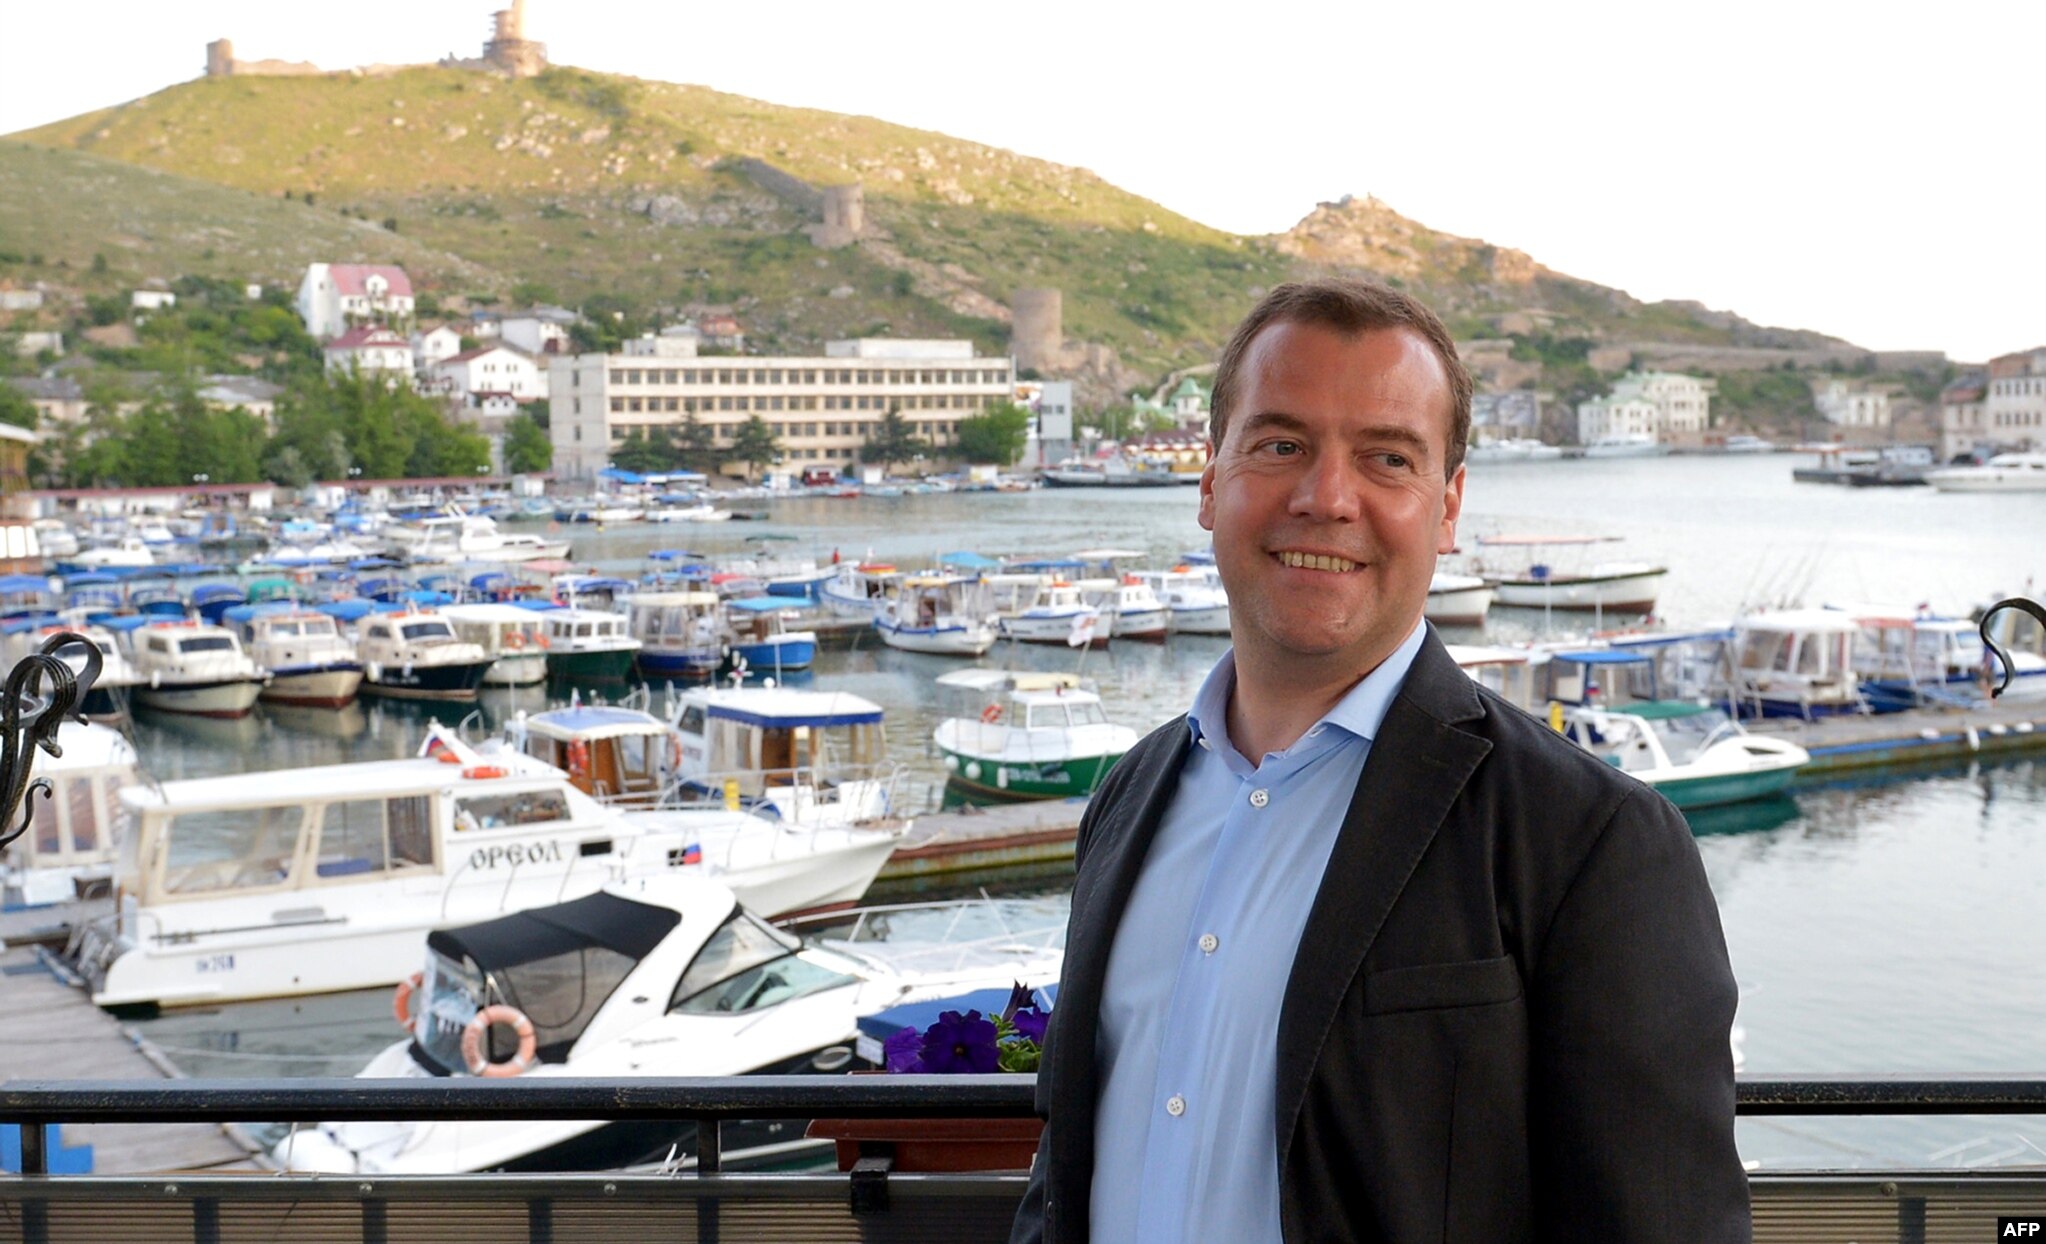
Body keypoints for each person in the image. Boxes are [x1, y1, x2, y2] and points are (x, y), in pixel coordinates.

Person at [1011, 277, 1749, 1244]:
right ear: (1209, 481)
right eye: (1280, 445)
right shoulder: (1126, 800)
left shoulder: (1589, 840)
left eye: (1386, 458)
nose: (1326, 497)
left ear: (1446, 509)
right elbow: (1068, 1172)